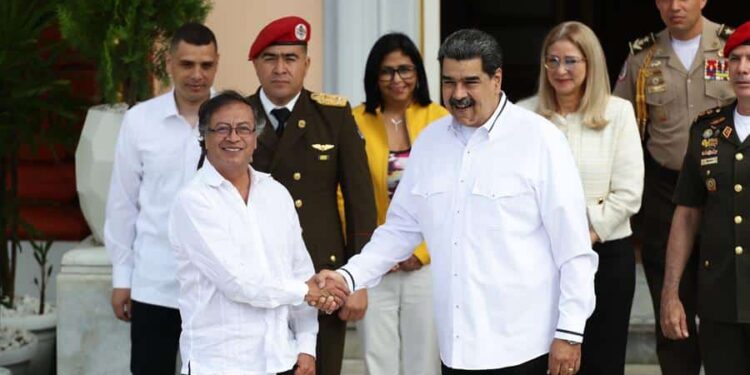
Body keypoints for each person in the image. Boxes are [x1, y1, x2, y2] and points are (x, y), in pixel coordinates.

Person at [316, 28, 598, 375]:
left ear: (497, 79)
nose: (458, 94)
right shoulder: (430, 142)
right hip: (456, 348)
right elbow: (401, 229)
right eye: (449, 82)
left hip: (525, 347)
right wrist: (349, 276)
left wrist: (570, 333)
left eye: (470, 82)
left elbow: (574, 250)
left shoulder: (541, 141)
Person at [167, 91, 347, 375]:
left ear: (255, 138)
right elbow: (238, 281)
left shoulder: (276, 194)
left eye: (243, 129)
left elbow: (301, 271)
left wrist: (306, 346)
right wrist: (307, 291)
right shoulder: (193, 201)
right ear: (204, 137)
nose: (233, 137)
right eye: (222, 129)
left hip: (281, 359)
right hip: (220, 363)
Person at [246, 16, 378, 375]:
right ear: (256, 64)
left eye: (290, 58)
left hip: (324, 277)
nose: (280, 68)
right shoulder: (237, 119)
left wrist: (358, 279)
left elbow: (360, 203)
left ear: (306, 63)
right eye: (270, 58)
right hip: (254, 277)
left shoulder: (332, 116)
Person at [613, 1, 735, 373]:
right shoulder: (643, 56)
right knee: (671, 306)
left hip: (726, 189)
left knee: (729, 307)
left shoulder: (733, 48)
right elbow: (618, 125)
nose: (674, 6)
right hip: (666, 190)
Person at [518, 21, 644, 375]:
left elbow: (629, 194)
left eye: (571, 61)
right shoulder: (524, 116)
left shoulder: (617, 113)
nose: (560, 70)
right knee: (546, 362)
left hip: (606, 256)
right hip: (541, 258)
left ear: (590, 63)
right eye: (552, 60)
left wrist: (580, 235)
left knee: (602, 361)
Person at [104, 23, 219, 375]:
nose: (197, 75)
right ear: (169, 63)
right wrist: (122, 277)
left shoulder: (235, 118)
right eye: (187, 64)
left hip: (218, 288)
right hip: (154, 284)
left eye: (206, 65)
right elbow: (123, 204)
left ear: (217, 63)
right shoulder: (140, 121)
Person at [352, 32, 448, 375]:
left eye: (405, 70)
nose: (397, 80)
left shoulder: (441, 120)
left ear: (418, 73)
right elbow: (342, 195)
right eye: (387, 71)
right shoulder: (354, 120)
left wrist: (419, 252)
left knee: (425, 360)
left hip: (425, 262)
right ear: (373, 77)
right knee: (378, 359)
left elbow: (451, 195)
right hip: (376, 263)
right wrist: (374, 251)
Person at [661, 22, 750, 375]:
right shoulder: (707, 130)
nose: (744, 69)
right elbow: (686, 215)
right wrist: (671, 293)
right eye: (736, 60)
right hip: (720, 300)